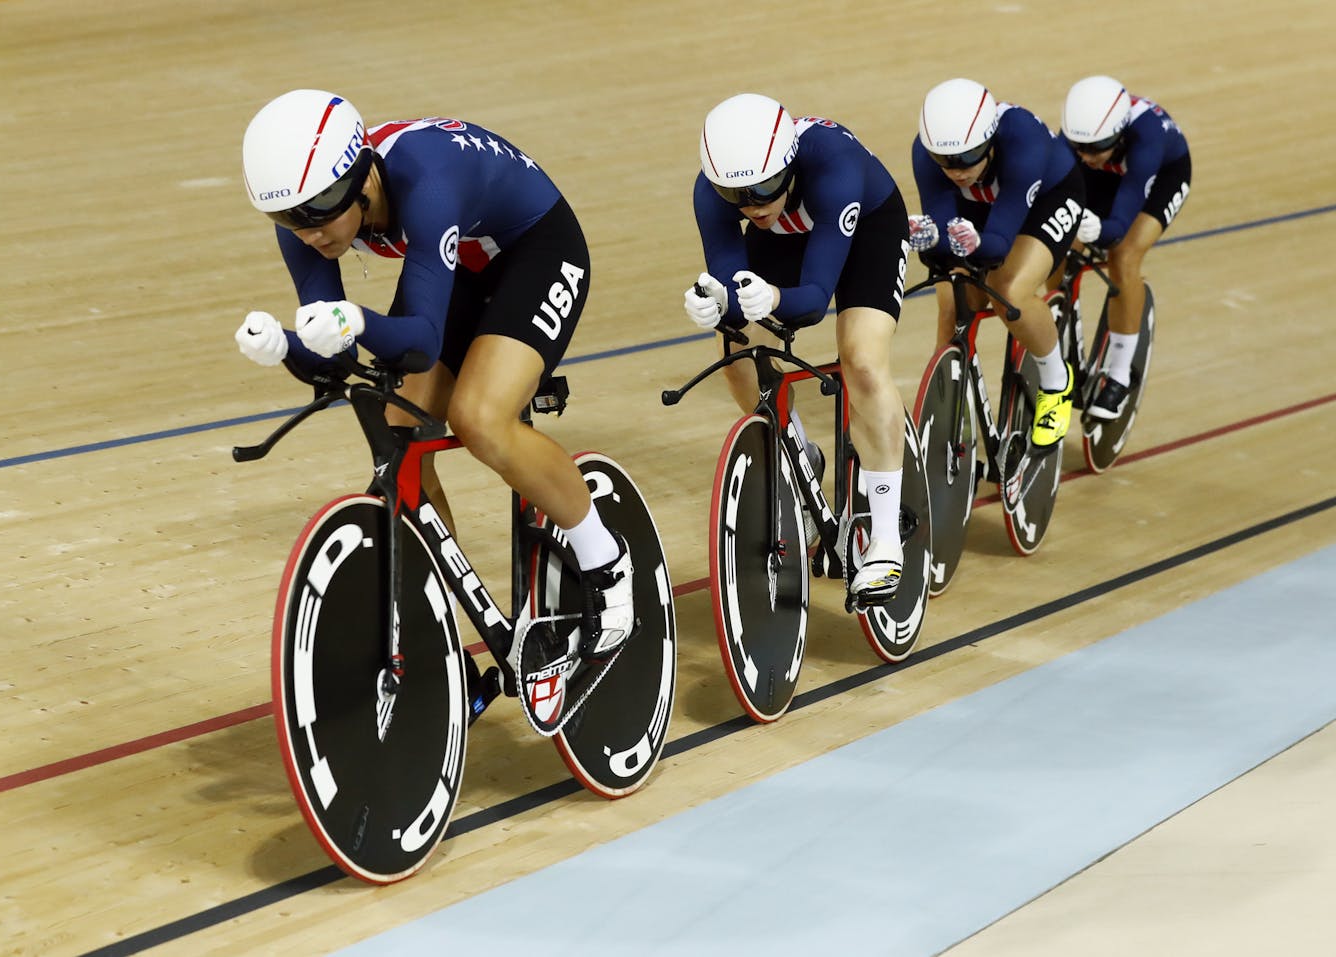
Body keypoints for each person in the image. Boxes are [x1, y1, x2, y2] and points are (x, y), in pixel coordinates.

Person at [234, 89, 632, 660]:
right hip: (457, 261)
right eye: (286, 219)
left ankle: (607, 564)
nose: (309, 233)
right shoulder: (302, 218)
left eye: (320, 210)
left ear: (360, 178)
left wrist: (353, 320)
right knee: (396, 426)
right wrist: (287, 346)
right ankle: (440, 615)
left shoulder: (427, 180)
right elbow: (335, 357)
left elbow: (419, 342)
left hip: (538, 249)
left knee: (479, 418)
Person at [683, 93, 913, 604]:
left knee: (862, 361)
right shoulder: (716, 193)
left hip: (867, 229)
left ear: (788, 167)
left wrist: (775, 297)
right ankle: (800, 455)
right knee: (738, 352)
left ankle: (886, 537)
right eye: (735, 196)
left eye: (763, 190)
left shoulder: (833, 165)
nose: (751, 207)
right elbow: (730, 280)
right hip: (791, 236)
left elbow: (811, 302)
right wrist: (720, 304)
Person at [907, 77, 1085, 447]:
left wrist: (972, 245)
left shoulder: (1023, 140)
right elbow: (942, 235)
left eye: (967, 158)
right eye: (945, 161)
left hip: (1047, 199)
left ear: (989, 140)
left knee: (1009, 292)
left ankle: (1056, 382)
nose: (956, 170)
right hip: (982, 207)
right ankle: (953, 408)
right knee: (953, 302)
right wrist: (935, 241)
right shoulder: (926, 154)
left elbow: (998, 245)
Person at [1054, 75, 1192, 419]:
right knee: (1055, 243)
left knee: (1124, 256)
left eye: (1096, 148)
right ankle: (1058, 323)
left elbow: (1118, 225)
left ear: (1119, 134)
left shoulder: (1147, 138)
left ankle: (1118, 376)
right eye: (1078, 148)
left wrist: (1101, 229)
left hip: (1161, 178)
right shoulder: (1080, 143)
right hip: (1105, 178)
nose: (1086, 156)